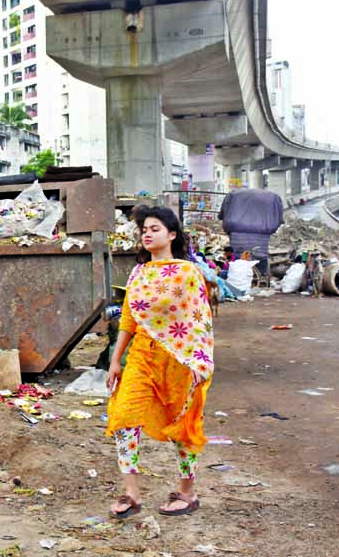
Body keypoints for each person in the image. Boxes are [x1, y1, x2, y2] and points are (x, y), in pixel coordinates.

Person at [105, 206, 214, 519]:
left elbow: (199, 322)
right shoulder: (139, 273)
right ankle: (131, 494)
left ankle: (187, 492)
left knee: (182, 424)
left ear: (172, 234)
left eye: (154, 228)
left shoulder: (187, 273)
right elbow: (128, 317)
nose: (147, 234)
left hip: (180, 359)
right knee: (124, 417)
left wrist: (198, 361)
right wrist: (115, 360)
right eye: (144, 230)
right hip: (142, 355)